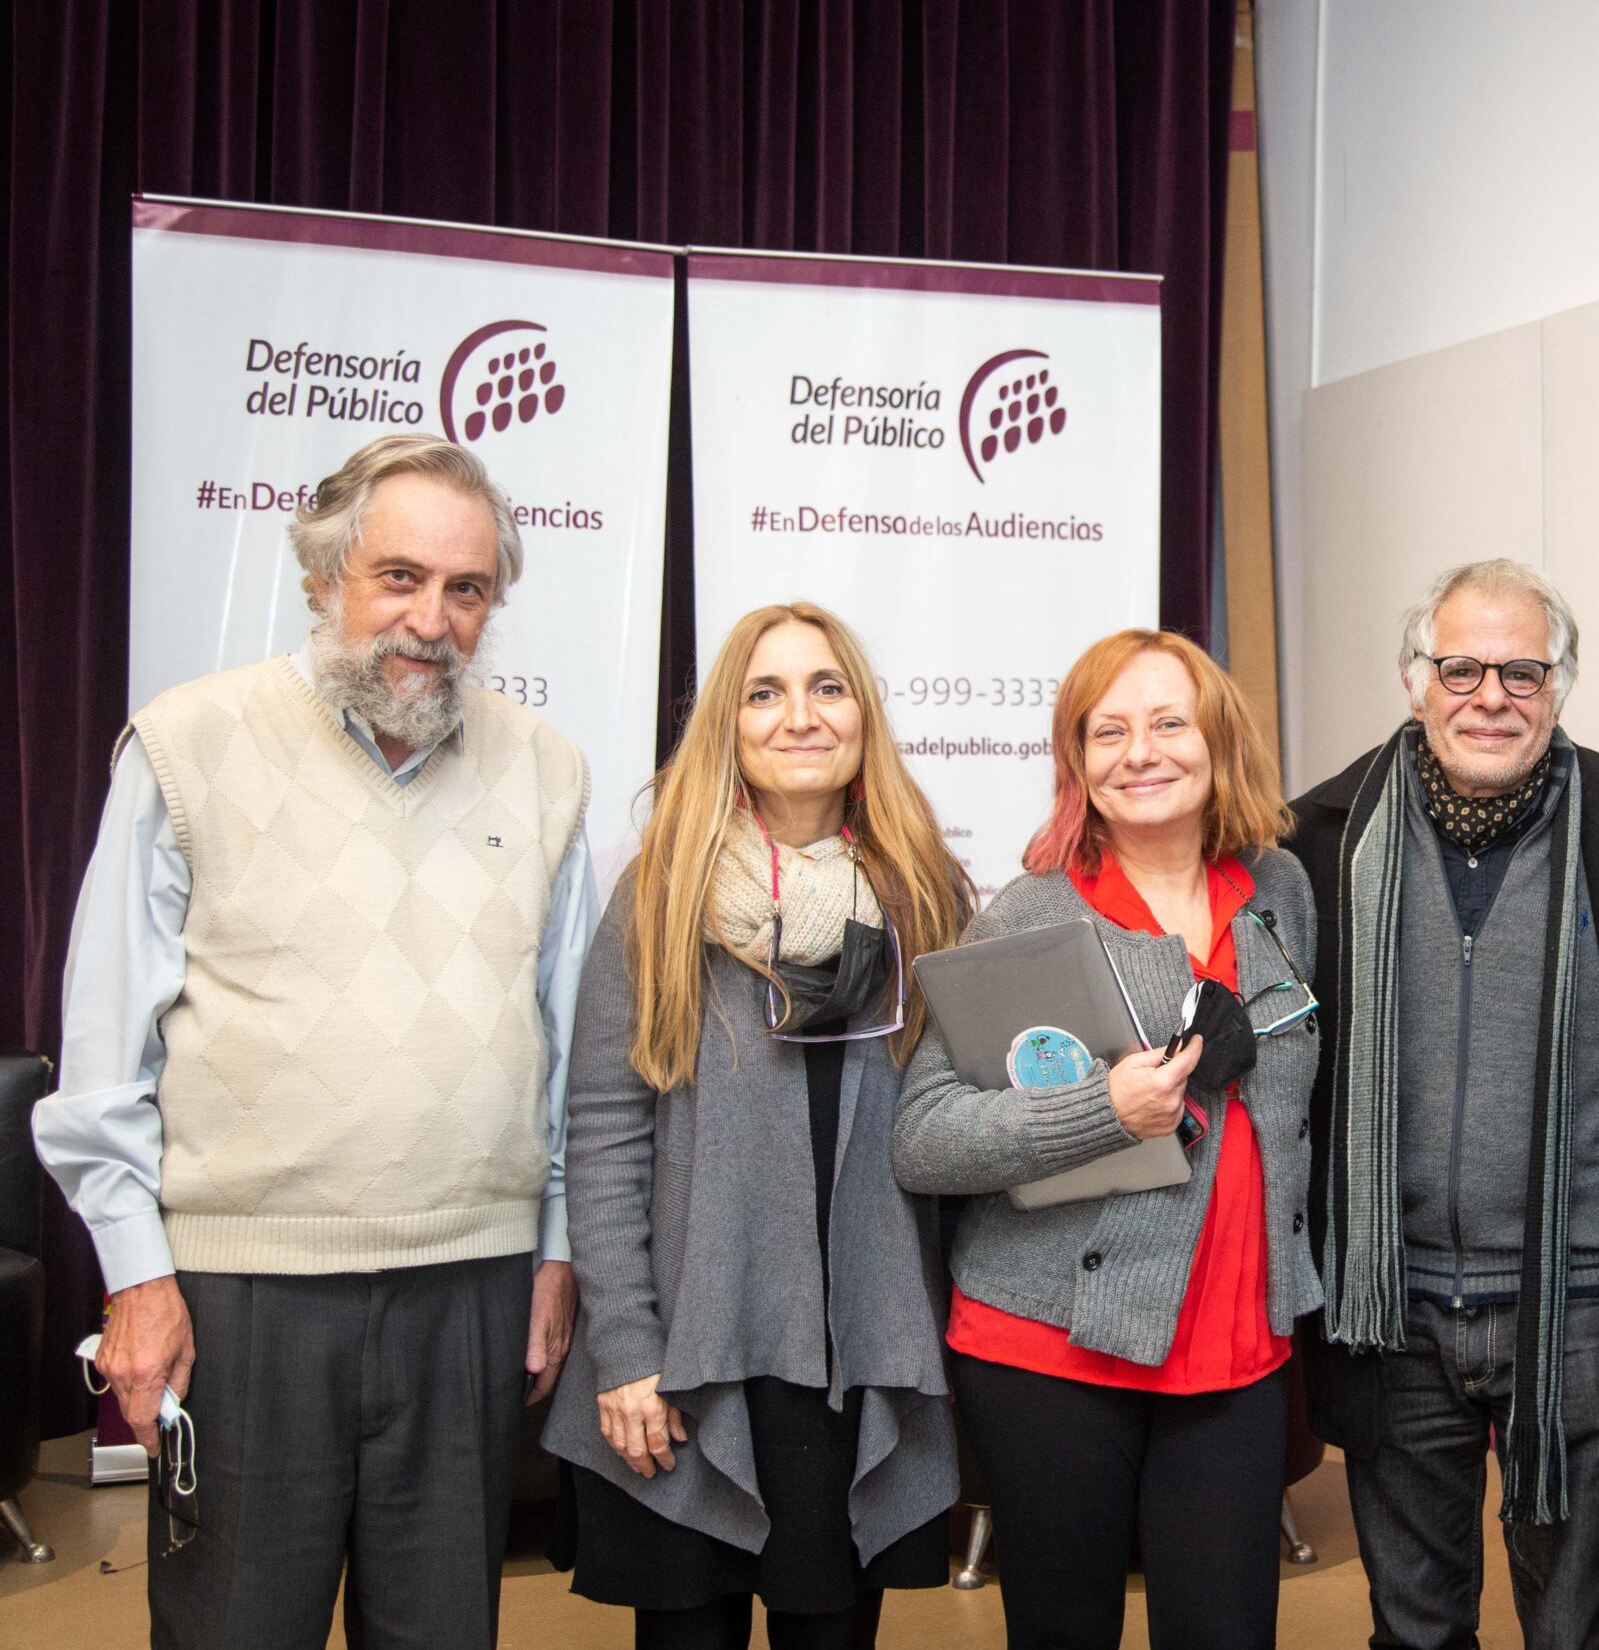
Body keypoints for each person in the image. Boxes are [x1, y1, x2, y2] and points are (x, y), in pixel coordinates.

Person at [35, 434, 595, 1649]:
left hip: (474, 1288)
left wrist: (556, 1251)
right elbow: (102, 1055)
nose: (430, 620)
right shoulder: (187, 747)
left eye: (466, 590)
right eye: (398, 577)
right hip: (245, 1294)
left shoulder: (546, 770)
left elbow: (568, 1051)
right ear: (325, 575)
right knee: (238, 1628)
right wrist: (136, 1276)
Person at [1283, 558, 1599, 1650]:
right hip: (1392, 1302)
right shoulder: (1318, 840)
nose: (1491, 696)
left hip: (1584, 1303)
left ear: (1561, 685)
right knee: (1415, 1625)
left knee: (1575, 1625)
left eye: (1521, 671)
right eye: (1461, 668)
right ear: (1412, 679)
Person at [543, 603, 971, 1649]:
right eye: (764, 693)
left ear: (862, 718)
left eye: (827, 688)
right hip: (692, 1351)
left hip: (852, 1350)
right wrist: (628, 1351)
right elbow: (603, 1132)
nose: (800, 717)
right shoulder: (662, 896)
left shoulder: (925, 899)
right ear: (727, 726)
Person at [892, 628, 1319, 1650]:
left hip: (1240, 1348)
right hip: (1052, 1350)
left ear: (1218, 743)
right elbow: (922, 1136)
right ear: (1077, 760)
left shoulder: (1281, 896)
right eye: (1108, 730)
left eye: (1169, 722)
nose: (1142, 751)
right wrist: (1100, 1110)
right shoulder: (1029, 918)